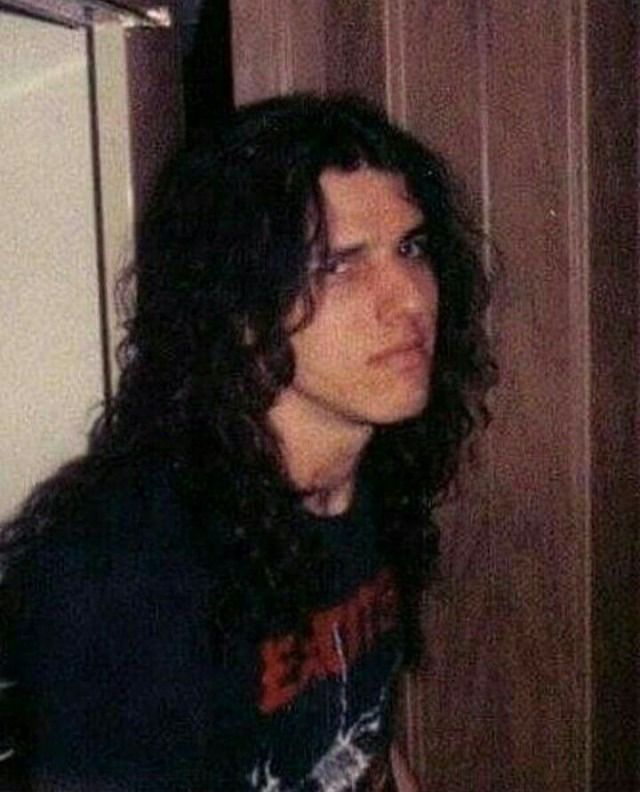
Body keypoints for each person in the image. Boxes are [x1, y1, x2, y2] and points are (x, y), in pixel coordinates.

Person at [0, 94, 495, 791]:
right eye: (340, 265)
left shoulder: (367, 478)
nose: (409, 300)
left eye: (411, 249)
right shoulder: (125, 576)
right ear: (240, 310)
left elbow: (363, 742)